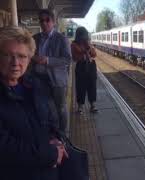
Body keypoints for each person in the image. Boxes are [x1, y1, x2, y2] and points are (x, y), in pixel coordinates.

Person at [0, 26, 68, 180]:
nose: (15, 62)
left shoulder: (35, 86)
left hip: (48, 172)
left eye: (22, 56)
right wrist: (51, 154)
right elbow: (5, 147)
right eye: (7, 55)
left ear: (29, 59)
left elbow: (52, 121)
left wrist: (57, 139)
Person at [32, 9, 71, 132]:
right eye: (41, 20)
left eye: (47, 20)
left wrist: (48, 60)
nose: (44, 23)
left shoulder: (62, 39)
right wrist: (33, 57)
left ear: (53, 22)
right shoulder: (35, 38)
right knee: (42, 106)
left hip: (56, 80)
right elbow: (29, 54)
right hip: (39, 78)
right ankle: (48, 133)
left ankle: (63, 135)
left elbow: (67, 60)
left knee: (60, 108)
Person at [71, 27, 98, 113]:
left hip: (91, 66)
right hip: (81, 66)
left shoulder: (88, 43)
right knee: (80, 86)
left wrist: (89, 47)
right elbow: (75, 57)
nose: (84, 37)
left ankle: (93, 105)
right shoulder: (74, 44)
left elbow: (94, 54)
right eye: (83, 35)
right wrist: (85, 52)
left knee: (92, 86)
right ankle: (80, 107)